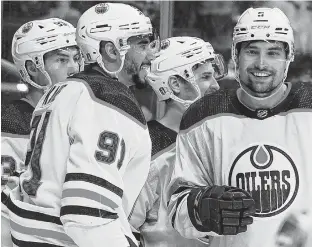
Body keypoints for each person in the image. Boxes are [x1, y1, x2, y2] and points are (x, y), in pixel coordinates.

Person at [2, 3, 158, 247]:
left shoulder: (62, 91)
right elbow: (88, 214)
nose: (150, 54)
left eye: (75, 57)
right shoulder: (107, 99)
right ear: (111, 49)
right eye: (142, 44)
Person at [168, 7, 312, 247]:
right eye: (252, 51)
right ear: (236, 55)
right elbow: (176, 207)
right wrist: (200, 208)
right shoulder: (203, 115)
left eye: (273, 52)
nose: (261, 64)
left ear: (289, 56)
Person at [129, 36, 227, 246]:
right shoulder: (148, 147)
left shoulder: (218, 140)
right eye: (206, 77)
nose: (216, 86)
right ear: (174, 84)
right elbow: (125, 228)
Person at [1, 18, 81, 247]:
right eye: (62, 59)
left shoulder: (74, 116)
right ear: (32, 67)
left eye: (76, 58)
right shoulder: (12, 122)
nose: (74, 68)